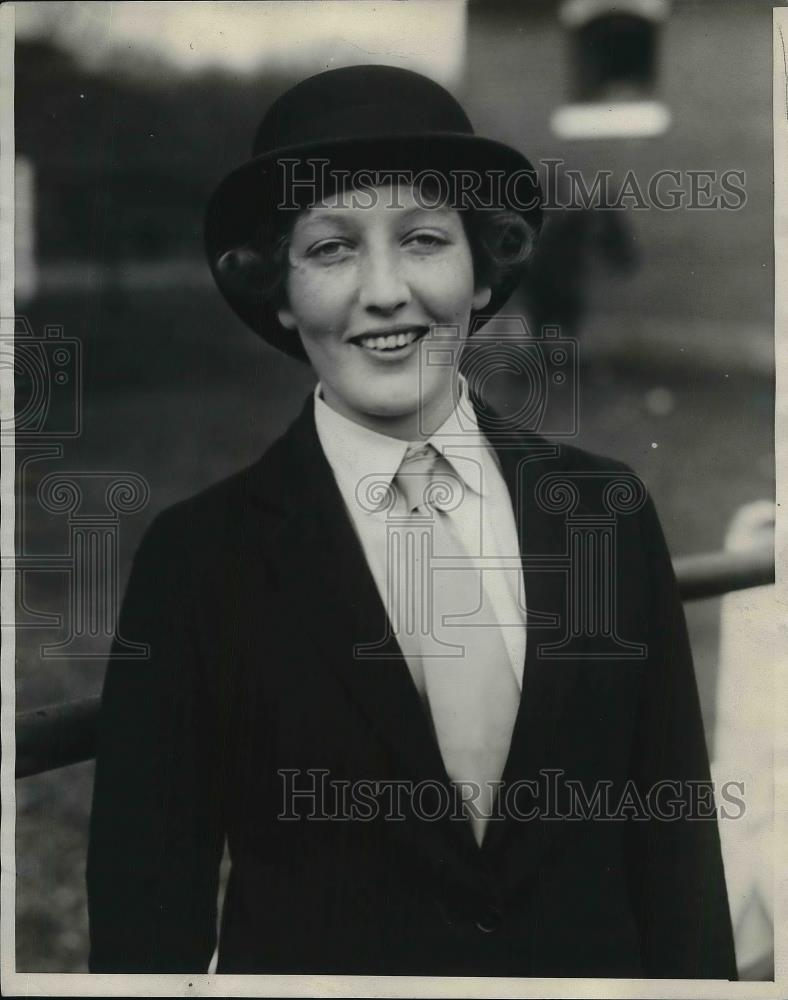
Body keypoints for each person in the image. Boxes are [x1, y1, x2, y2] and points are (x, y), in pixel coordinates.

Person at [86, 65, 737, 979]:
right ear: (278, 291)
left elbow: (677, 867)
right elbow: (146, 917)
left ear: (484, 270)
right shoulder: (199, 558)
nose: (385, 292)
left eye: (424, 238)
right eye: (331, 248)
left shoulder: (605, 513)